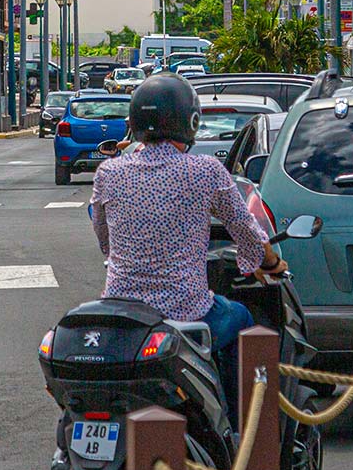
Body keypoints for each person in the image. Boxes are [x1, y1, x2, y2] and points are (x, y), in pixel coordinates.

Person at [89, 74, 281, 412]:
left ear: (133, 122)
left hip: (122, 313)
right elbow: (245, 229)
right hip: (187, 311)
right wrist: (269, 262)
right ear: (191, 120)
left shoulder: (109, 172)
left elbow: (105, 240)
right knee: (241, 318)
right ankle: (242, 427)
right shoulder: (205, 171)